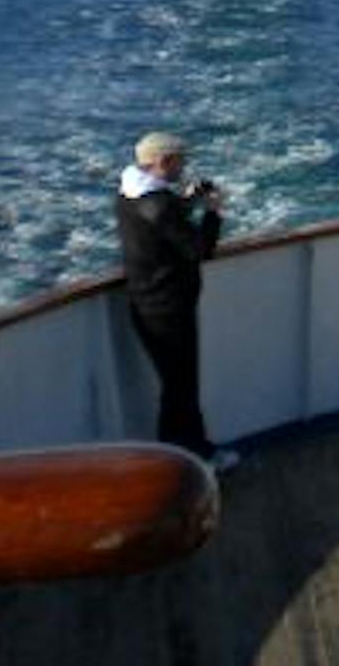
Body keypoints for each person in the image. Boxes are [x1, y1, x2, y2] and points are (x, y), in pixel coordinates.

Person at [116, 131, 234, 469]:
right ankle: (191, 458)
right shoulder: (159, 204)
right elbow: (199, 249)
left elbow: (161, 214)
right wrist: (212, 212)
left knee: (175, 388)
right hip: (168, 309)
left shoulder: (130, 192)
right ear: (163, 161)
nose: (184, 167)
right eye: (180, 161)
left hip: (148, 304)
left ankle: (178, 458)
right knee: (181, 389)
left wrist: (188, 199)